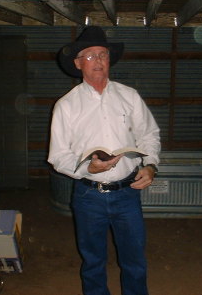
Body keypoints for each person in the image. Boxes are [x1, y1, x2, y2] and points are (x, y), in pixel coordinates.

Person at [48, 26, 161, 295]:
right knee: (93, 262)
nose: (97, 60)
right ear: (78, 64)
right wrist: (88, 167)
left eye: (102, 54)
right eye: (90, 56)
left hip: (127, 193)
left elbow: (149, 134)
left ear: (109, 60)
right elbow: (58, 155)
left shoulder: (129, 96)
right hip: (89, 195)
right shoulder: (66, 105)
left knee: (134, 261)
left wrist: (151, 164)